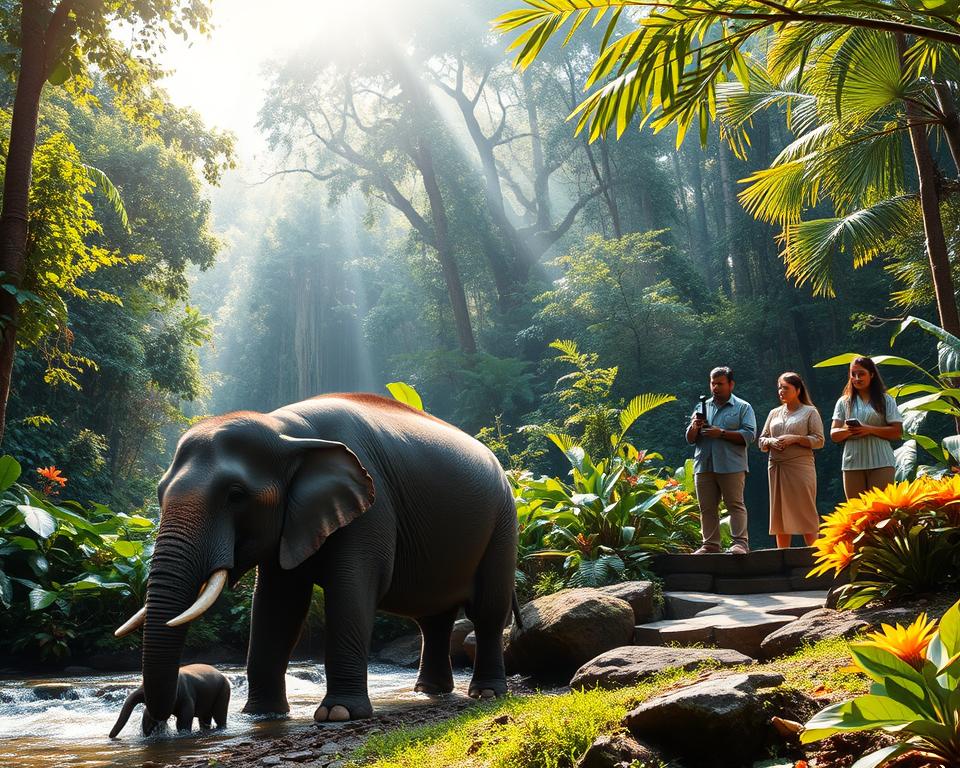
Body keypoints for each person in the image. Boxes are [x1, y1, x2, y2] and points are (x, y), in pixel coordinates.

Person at [685, 366, 756, 554]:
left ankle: (740, 543)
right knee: (707, 507)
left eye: (720, 383)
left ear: (731, 384)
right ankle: (710, 544)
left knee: (735, 504)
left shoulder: (743, 407)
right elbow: (690, 439)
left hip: (731, 464)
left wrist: (721, 433)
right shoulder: (701, 407)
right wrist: (694, 426)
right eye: (712, 383)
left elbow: (749, 436)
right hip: (704, 463)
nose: (715, 387)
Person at [759, 372, 824, 548]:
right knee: (779, 511)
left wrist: (795, 438)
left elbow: (819, 440)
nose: (781, 391)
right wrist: (771, 441)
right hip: (777, 467)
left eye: (785, 388)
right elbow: (761, 440)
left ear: (797, 389)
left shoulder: (810, 412)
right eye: (779, 387)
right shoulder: (774, 413)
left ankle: (814, 555)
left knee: (806, 509)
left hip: (800, 466)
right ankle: (782, 555)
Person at [830, 356, 903, 500]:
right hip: (852, 462)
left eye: (861, 374)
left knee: (881, 512)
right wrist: (850, 430)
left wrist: (869, 429)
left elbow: (897, 432)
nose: (857, 378)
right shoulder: (843, 402)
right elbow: (834, 434)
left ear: (872, 374)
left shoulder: (886, 399)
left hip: (882, 460)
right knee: (856, 514)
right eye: (853, 374)